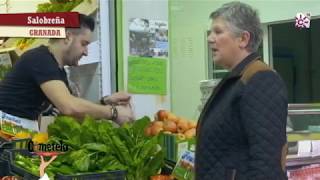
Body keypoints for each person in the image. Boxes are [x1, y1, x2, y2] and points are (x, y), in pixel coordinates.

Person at [195, 2, 288, 180]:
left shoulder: (261, 80)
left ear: (243, 39)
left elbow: (267, 165)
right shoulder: (236, 79)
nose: (210, 38)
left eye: (218, 31)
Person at [0, 14, 134, 133]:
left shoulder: (57, 70)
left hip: (19, 131)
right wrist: (113, 112)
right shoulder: (40, 59)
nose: (86, 52)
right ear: (68, 37)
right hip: (7, 134)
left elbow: (72, 114)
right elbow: (69, 107)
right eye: (84, 44)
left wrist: (105, 101)